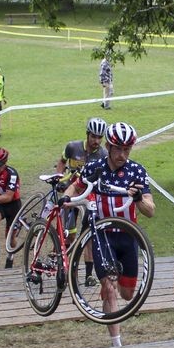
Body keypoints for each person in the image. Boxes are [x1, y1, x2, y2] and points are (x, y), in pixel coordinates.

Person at [64, 122, 154, 348]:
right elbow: (75, 187)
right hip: (101, 234)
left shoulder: (137, 171)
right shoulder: (94, 167)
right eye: (118, 149)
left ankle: (112, 289)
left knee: (127, 294)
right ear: (108, 146)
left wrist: (138, 199)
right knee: (110, 288)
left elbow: (150, 210)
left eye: (127, 150)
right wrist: (65, 199)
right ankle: (117, 344)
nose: (122, 154)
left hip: (127, 236)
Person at [56, 118, 109, 285]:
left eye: (100, 137)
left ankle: (88, 275)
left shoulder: (103, 154)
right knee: (69, 235)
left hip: (89, 197)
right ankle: (64, 269)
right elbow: (62, 162)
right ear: (87, 134)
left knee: (89, 235)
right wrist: (59, 179)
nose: (97, 141)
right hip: (72, 193)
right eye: (93, 136)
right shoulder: (73, 147)